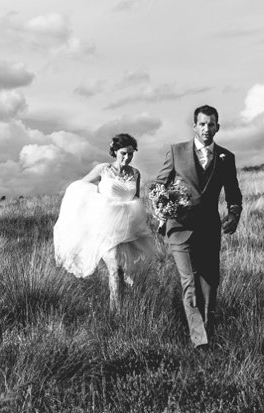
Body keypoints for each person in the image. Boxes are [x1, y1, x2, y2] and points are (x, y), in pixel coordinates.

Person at [154, 105, 242, 349]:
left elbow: (234, 194)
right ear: (194, 126)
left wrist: (234, 214)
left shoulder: (226, 157)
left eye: (211, 124)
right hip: (179, 227)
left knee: (209, 283)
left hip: (210, 229)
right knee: (189, 281)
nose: (206, 128)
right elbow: (159, 187)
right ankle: (199, 340)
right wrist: (166, 211)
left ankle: (208, 331)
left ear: (217, 127)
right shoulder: (176, 151)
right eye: (202, 124)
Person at [53, 133, 159, 310]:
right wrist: (95, 202)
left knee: (128, 273)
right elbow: (78, 186)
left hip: (129, 230)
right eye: (123, 153)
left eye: (131, 154)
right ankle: (115, 314)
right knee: (115, 269)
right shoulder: (103, 169)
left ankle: (125, 308)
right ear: (115, 151)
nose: (127, 157)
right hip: (105, 228)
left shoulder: (135, 173)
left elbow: (136, 199)